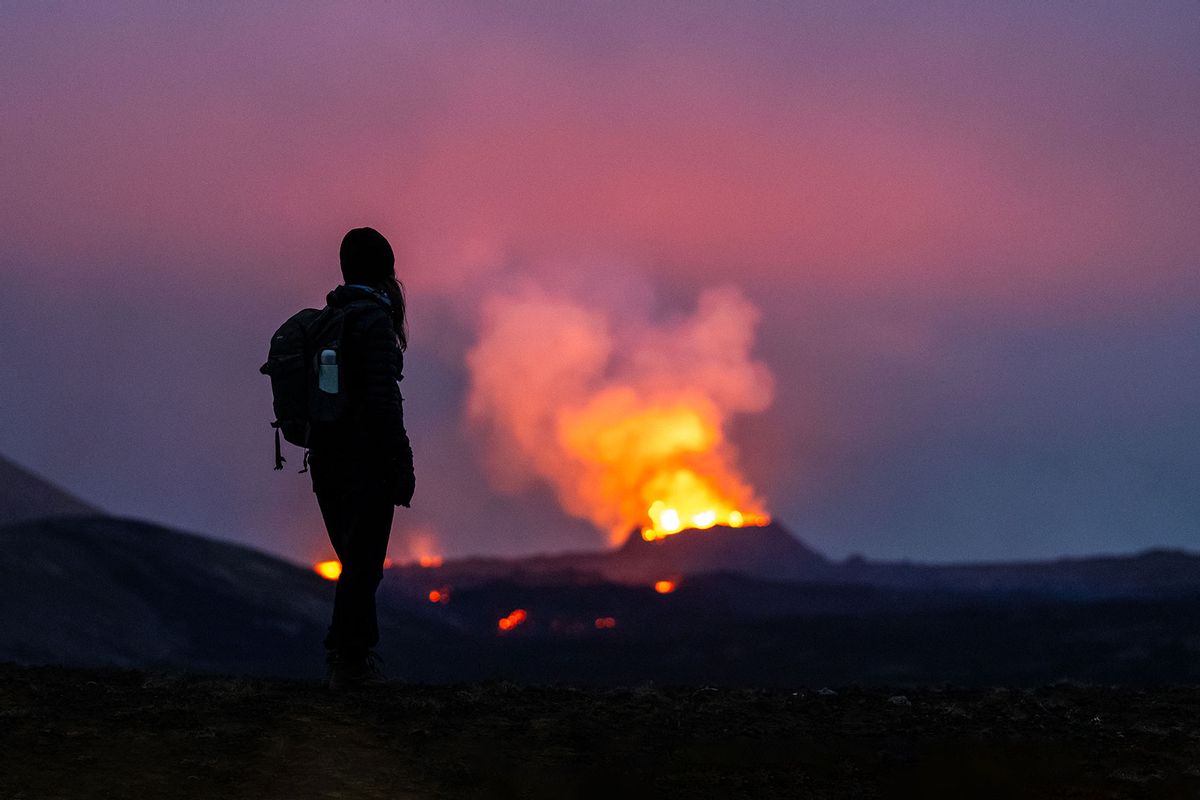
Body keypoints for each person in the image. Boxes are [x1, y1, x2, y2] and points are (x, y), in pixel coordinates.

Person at [308, 227, 415, 690]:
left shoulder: (330, 318)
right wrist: (401, 462)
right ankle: (350, 665)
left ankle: (349, 662)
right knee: (364, 564)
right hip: (364, 461)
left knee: (354, 561)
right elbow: (382, 400)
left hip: (325, 459)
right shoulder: (373, 322)